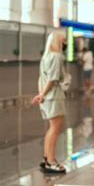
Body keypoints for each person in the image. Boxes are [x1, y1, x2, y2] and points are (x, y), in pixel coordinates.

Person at [31, 31, 68, 173]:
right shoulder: (58, 57)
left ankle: (47, 158)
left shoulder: (46, 57)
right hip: (54, 96)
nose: (65, 43)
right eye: (64, 41)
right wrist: (42, 94)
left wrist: (41, 95)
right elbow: (53, 79)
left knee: (51, 128)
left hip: (47, 98)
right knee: (55, 129)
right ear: (58, 42)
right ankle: (51, 161)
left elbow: (41, 79)